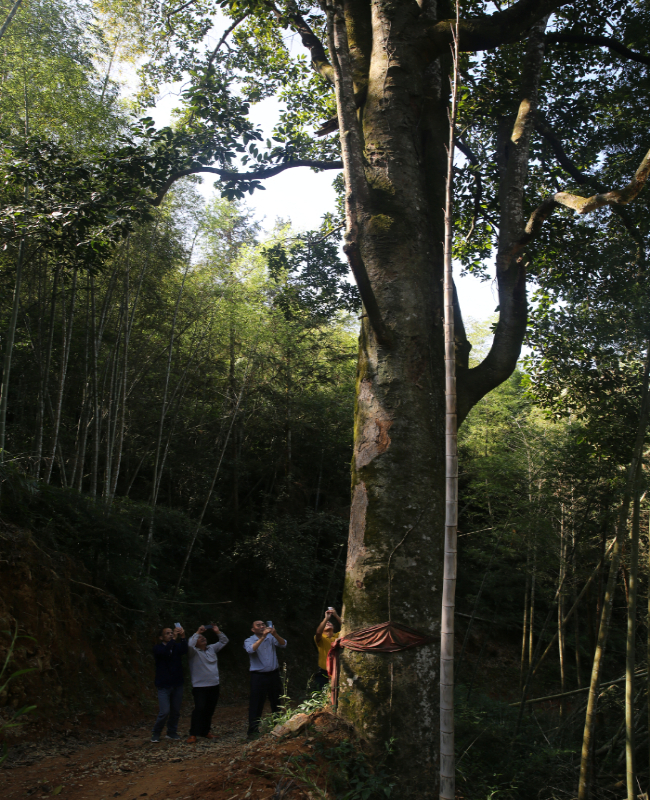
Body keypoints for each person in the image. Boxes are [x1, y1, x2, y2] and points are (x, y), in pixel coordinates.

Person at [244, 620, 287, 739]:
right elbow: (250, 650)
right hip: (258, 676)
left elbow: (283, 644)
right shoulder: (249, 640)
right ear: (253, 630)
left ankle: (278, 727)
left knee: (276, 701)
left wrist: (275, 634)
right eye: (258, 625)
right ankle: (253, 731)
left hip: (274, 674)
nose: (262, 626)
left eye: (263, 624)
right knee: (256, 703)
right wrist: (262, 637)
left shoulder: (271, 638)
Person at [186, 622, 229, 743]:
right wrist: (198, 632)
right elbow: (189, 644)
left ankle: (205, 731)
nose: (202, 638)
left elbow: (224, 641)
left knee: (210, 709)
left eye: (203, 637)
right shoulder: (193, 652)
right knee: (199, 708)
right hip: (200, 686)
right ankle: (193, 733)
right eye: (199, 638)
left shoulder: (212, 648)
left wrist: (217, 631)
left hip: (214, 684)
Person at [151, 624, 187, 743]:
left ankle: (171, 732)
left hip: (177, 683)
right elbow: (165, 653)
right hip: (163, 684)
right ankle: (156, 732)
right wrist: (174, 640)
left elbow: (184, 650)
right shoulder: (157, 648)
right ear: (161, 637)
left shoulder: (176, 646)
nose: (171, 634)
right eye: (167, 633)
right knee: (164, 711)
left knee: (175, 710)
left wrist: (183, 637)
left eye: (172, 632)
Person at [313, 608, 342, 690]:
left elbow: (346, 628)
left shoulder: (337, 636)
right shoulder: (321, 638)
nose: (328, 623)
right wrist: (326, 619)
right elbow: (318, 632)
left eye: (329, 622)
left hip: (337, 671)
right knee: (320, 692)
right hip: (323, 672)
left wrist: (336, 615)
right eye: (325, 624)